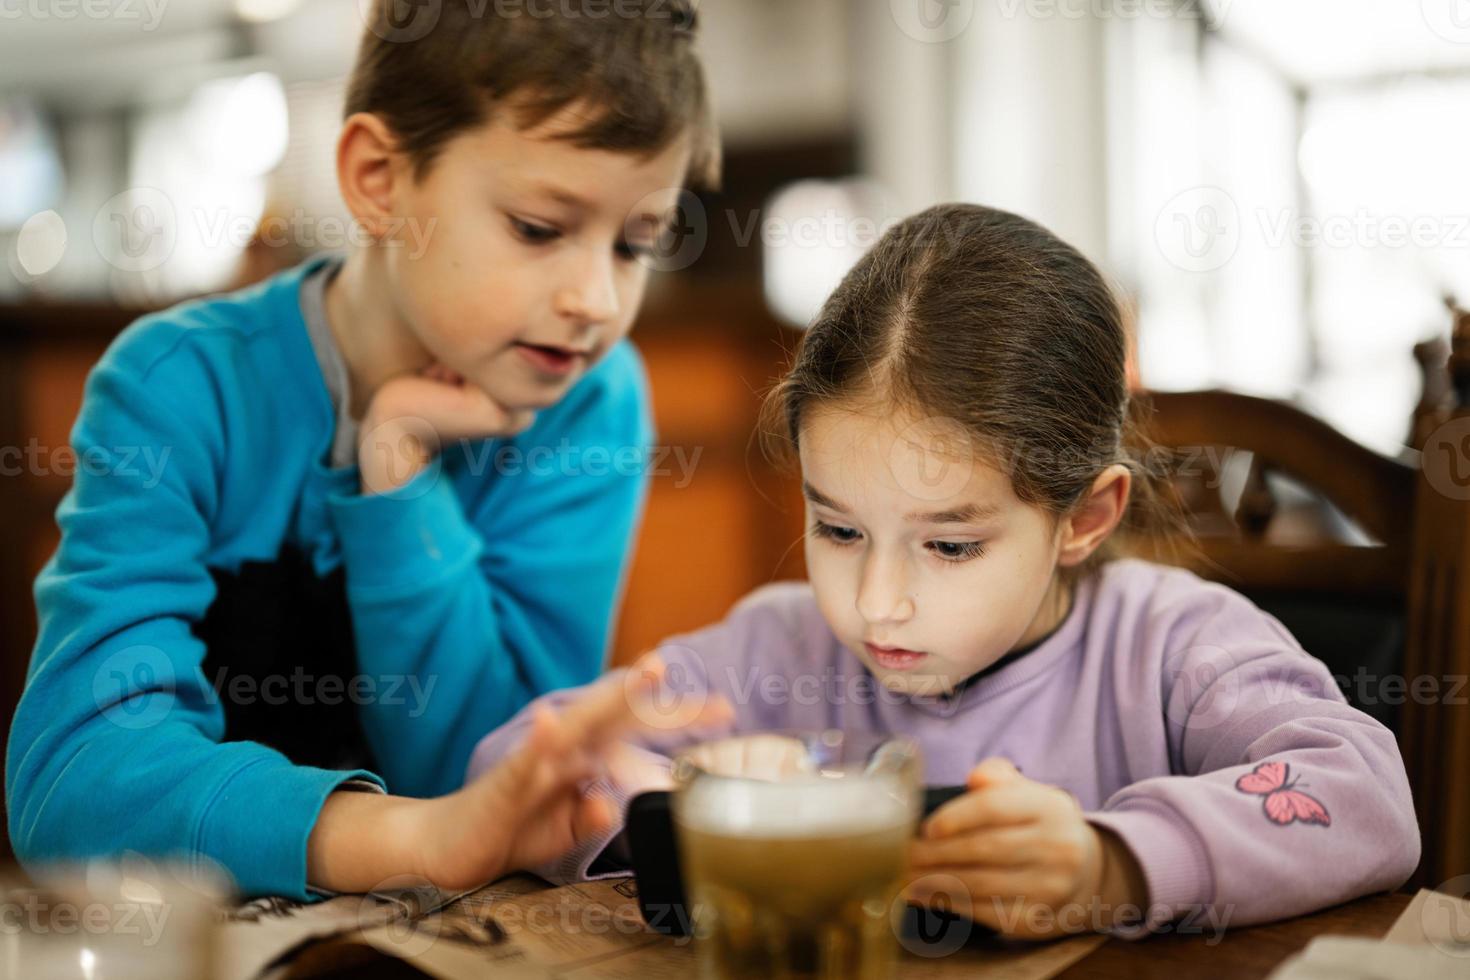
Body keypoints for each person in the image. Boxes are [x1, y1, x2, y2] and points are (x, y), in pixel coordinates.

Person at [466, 203, 1421, 940]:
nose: (876, 601)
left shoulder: (1175, 646)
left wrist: (1113, 866)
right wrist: (694, 805)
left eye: (951, 545)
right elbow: (516, 762)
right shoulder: (774, 646)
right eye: (838, 530)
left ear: (1083, 516)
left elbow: (1366, 798)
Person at [7, 0, 719, 900]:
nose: (593, 300)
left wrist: (400, 476)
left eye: (635, 243)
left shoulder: (590, 404)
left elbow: (507, 780)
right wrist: (417, 836)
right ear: (380, 180)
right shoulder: (176, 388)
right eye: (539, 228)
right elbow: (74, 787)